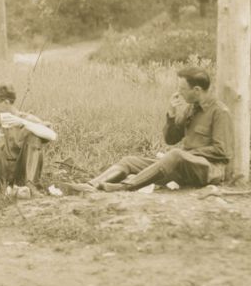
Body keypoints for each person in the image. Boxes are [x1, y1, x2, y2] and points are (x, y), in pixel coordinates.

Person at [71, 66, 234, 193]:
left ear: (197, 90)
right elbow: (170, 140)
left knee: (175, 155)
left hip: (208, 171)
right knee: (129, 161)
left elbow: (222, 151)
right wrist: (171, 114)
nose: (179, 93)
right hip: (184, 168)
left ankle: (125, 187)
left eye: (183, 89)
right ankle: (91, 185)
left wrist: (185, 155)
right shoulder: (191, 109)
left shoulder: (219, 112)